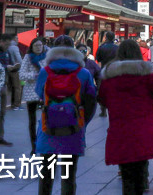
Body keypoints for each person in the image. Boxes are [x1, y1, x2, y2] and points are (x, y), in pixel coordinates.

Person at [101, 37, 153, 195]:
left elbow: (103, 99)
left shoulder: (109, 77)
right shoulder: (146, 75)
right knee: (140, 174)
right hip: (143, 131)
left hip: (120, 131)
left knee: (127, 176)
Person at [34, 35, 98, 195]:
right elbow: (91, 101)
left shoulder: (45, 71)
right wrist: (82, 122)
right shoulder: (83, 73)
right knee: (69, 175)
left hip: (48, 126)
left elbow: (39, 93)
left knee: (46, 173)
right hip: (73, 128)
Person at [19, 38, 48, 154]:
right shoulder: (28, 57)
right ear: (32, 46)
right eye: (36, 45)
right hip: (31, 92)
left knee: (47, 119)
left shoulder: (47, 56)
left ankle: (44, 143)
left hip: (45, 91)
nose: (38, 47)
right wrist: (35, 75)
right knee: (32, 120)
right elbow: (21, 75)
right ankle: (34, 145)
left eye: (40, 45)